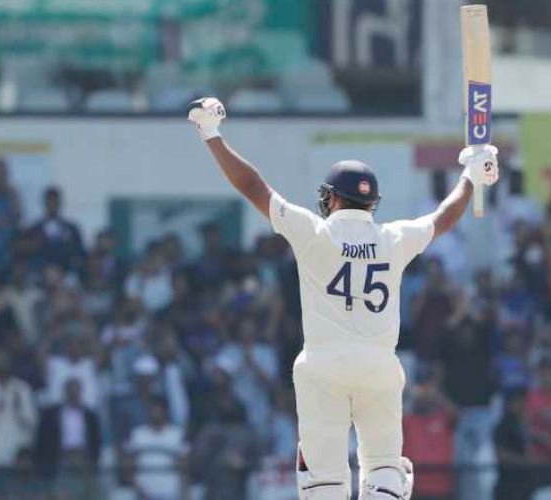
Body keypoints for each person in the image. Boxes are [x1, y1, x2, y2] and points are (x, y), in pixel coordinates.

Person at [186, 96, 499, 499]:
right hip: (379, 366)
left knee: (324, 482)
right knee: (386, 471)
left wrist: (210, 133)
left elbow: (253, 187)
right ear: (372, 204)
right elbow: (443, 218)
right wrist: (471, 176)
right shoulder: (393, 238)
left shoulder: (315, 232)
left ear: (332, 199)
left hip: (323, 367)